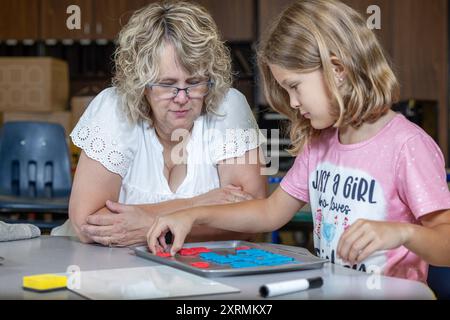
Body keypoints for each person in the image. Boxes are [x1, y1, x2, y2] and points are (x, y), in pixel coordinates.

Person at [147, 0, 450, 282]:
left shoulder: (407, 146)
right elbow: (269, 212)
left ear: (338, 70)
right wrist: (191, 214)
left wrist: (403, 234)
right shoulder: (321, 144)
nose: (292, 102)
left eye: (294, 86)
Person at [52, 1, 267, 246]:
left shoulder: (228, 107)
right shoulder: (114, 108)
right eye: (167, 84)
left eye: (195, 82)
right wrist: (195, 206)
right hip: (105, 268)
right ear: (141, 83)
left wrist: (148, 224)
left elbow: (251, 218)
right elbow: (87, 224)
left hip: (195, 274)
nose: (183, 98)